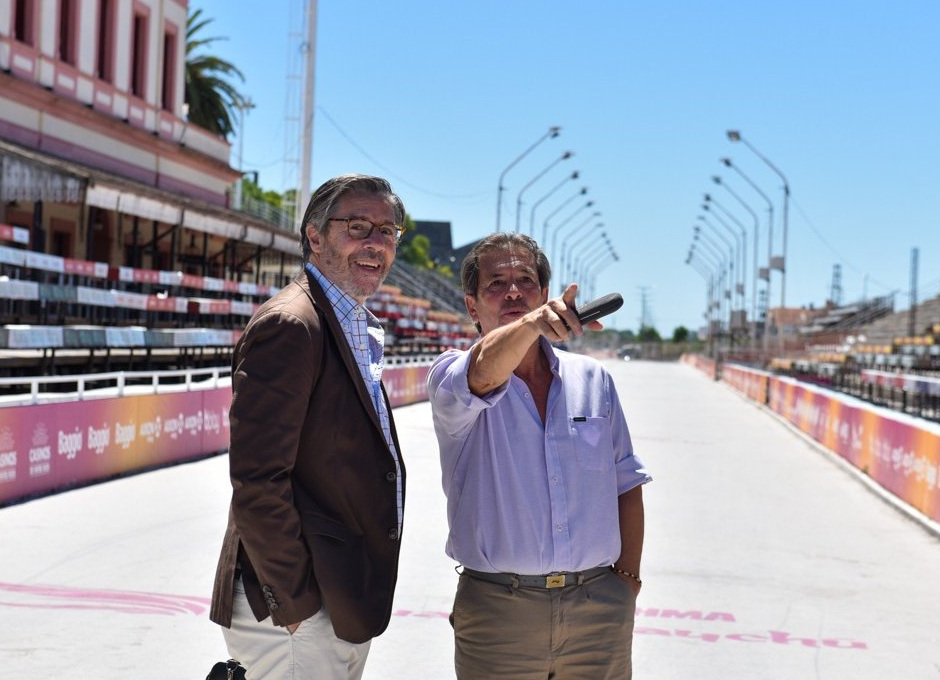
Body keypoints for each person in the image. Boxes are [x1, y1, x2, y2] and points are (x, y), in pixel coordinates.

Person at [427, 232, 652, 679]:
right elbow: (485, 371)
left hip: (597, 608)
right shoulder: (452, 376)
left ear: (544, 294)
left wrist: (626, 584)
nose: (513, 291)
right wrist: (531, 324)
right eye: (496, 283)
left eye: (525, 280)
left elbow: (625, 484)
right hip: (499, 611)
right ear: (472, 307)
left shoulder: (593, 380)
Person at [210, 174, 408, 680]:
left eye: (387, 231)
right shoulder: (293, 325)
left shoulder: (347, 319)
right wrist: (294, 604)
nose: (375, 243)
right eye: (358, 226)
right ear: (315, 236)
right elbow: (257, 479)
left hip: (337, 599)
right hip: (299, 612)